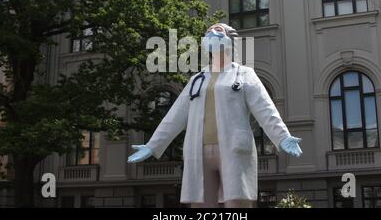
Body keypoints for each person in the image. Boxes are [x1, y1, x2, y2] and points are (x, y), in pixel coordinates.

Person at [128, 23, 302, 208]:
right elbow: (174, 116)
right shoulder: (197, 79)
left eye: (217, 31)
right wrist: (153, 145)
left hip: (234, 149)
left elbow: (265, 109)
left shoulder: (244, 74)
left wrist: (283, 137)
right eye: (208, 32)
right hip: (199, 152)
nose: (211, 33)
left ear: (230, 40)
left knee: (237, 205)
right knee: (202, 205)